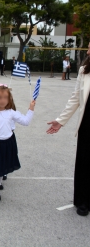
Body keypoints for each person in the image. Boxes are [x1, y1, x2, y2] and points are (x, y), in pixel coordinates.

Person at [46, 47, 90, 217]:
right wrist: (61, 121)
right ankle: (83, 201)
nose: (87, 51)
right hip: (87, 123)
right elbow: (75, 98)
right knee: (85, 163)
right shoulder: (84, 70)